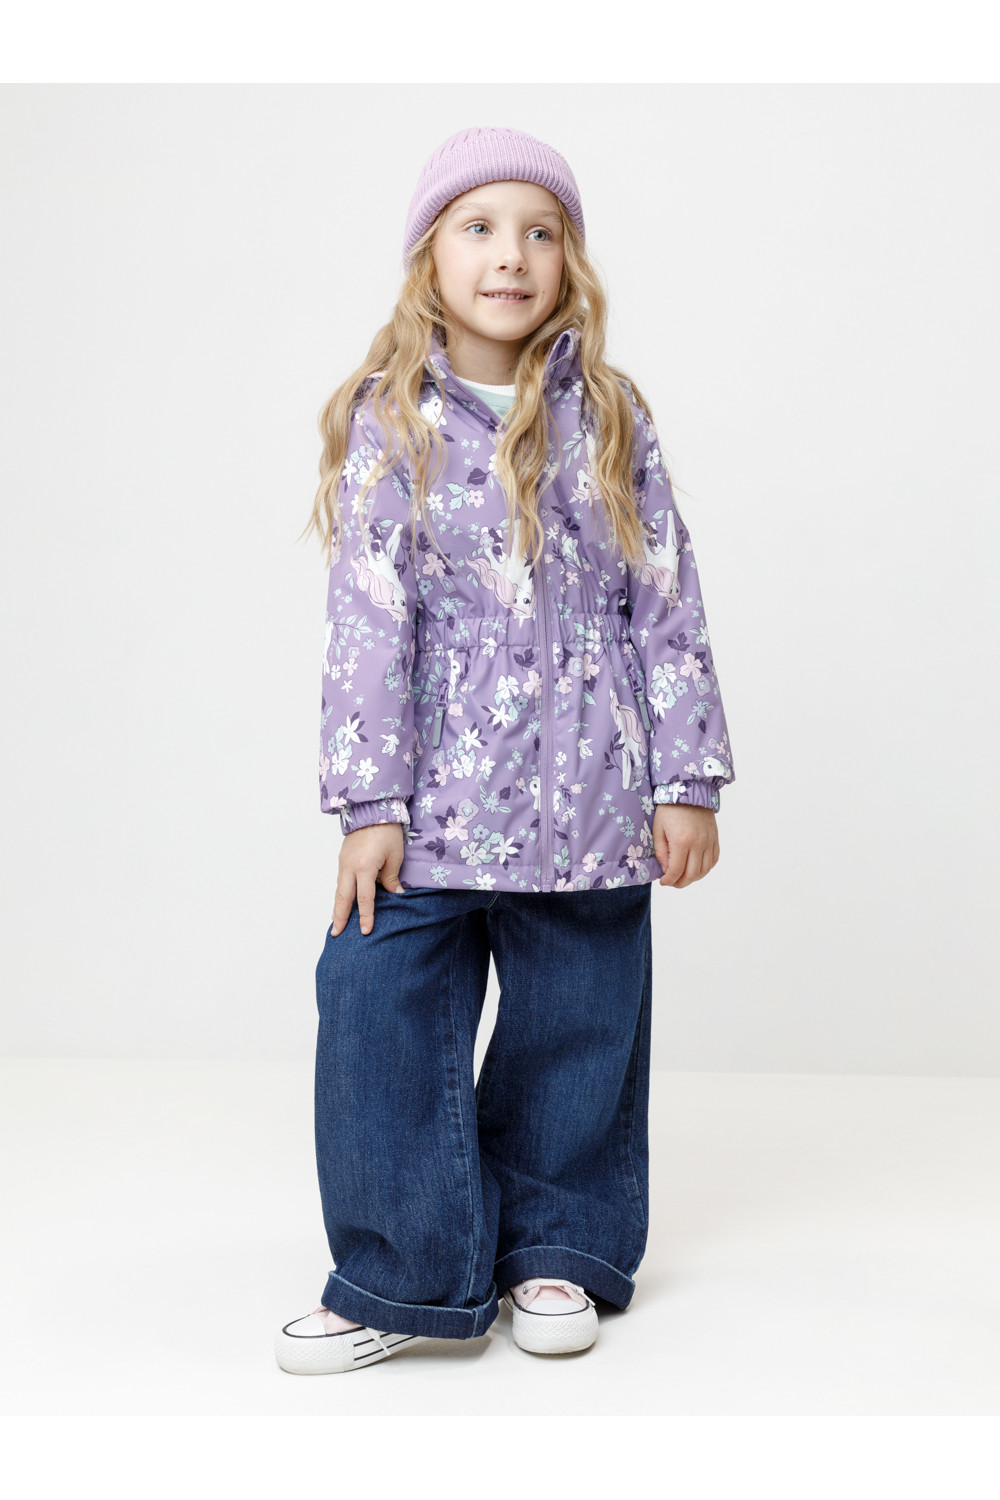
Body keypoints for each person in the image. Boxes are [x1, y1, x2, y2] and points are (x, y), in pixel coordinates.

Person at [275, 126, 736, 1376]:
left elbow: (664, 599)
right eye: (478, 228)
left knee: (577, 1032)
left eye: (540, 232)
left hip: (593, 805)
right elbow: (369, 618)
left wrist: (685, 780)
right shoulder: (391, 421)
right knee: (374, 1006)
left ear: (568, 260)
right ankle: (404, 1272)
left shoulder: (611, 417)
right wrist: (368, 802)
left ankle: (557, 1248)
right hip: (429, 807)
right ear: (429, 256)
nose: (511, 256)